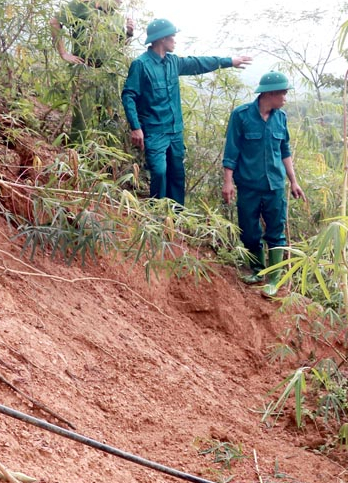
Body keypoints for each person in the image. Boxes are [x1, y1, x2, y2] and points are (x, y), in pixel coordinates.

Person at [122, 18, 251, 205]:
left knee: (177, 174)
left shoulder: (174, 62)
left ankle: (176, 217)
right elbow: (129, 96)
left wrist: (229, 61)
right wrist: (135, 127)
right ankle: (157, 213)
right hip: (154, 130)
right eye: (172, 37)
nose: (175, 40)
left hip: (175, 130)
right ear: (161, 39)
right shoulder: (141, 65)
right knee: (159, 171)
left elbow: (199, 63)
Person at [222, 71, 305, 294]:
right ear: (270, 94)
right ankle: (257, 269)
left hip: (275, 186)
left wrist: (294, 181)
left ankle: (274, 279)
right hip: (248, 185)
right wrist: (228, 182)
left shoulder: (281, 117)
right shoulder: (241, 116)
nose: (285, 98)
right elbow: (231, 151)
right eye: (283, 94)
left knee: (276, 232)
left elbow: (284, 150)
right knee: (249, 231)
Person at [49, 0, 135, 143]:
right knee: (82, 118)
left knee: (110, 118)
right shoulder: (83, 4)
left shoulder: (117, 16)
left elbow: (117, 47)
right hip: (85, 69)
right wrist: (64, 53)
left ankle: (107, 164)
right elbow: (55, 21)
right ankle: (76, 158)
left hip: (108, 73)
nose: (122, 1)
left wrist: (129, 34)